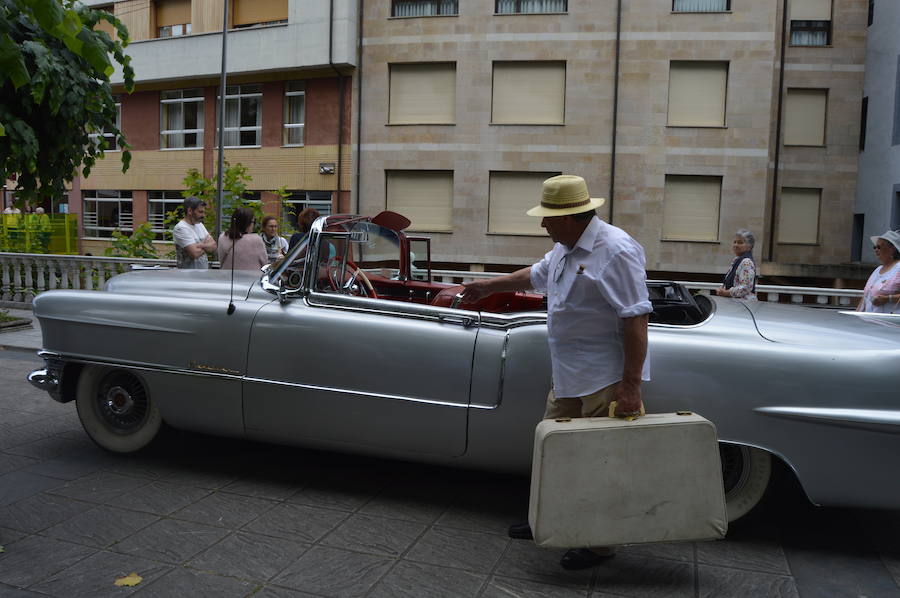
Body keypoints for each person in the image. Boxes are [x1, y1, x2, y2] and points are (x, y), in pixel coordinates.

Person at [461, 174, 652, 571]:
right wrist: (486, 286)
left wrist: (630, 387)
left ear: (570, 216)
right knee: (554, 452)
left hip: (606, 381)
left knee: (600, 463)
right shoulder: (566, 247)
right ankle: (548, 521)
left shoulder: (615, 250)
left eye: (548, 217)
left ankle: (601, 546)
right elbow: (534, 275)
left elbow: (636, 318)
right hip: (568, 375)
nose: (542, 225)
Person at [857, 230, 900, 313]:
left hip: (889, 323)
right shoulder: (877, 270)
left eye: (879, 247)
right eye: (874, 247)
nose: (876, 250)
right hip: (870, 322)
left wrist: (888, 299)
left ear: (892, 249)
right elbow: (865, 298)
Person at [173, 197, 216, 269]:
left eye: (203, 212)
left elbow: (214, 246)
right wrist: (206, 245)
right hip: (188, 277)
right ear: (190, 211)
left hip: (202, 275)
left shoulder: (200, 225)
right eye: (200, 212)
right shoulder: (180, 228)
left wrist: (199, 245)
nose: (203, 215)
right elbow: (195, 253)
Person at [715, 229, 757, 300]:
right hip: (736, 304)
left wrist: (726, 292)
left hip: (744, 305)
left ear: (749, 246)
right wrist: (722, 290)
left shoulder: (746, 262)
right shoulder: (737, 260)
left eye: (740, 243)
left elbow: (745, 288)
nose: (736, 245)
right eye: (734, 242)